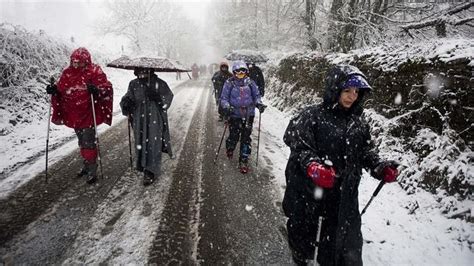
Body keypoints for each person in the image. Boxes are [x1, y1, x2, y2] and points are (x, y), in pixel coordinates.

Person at [282, 65, 399, 265]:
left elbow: (364, 151)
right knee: (307, 246)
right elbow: (299, 146)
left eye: (356, 92)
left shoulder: (358, 122)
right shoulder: (312, 116)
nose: (352, 96)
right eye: (347, 90)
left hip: (346, 200)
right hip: (314, 197)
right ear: (334, 89)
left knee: (348, 252)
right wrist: (313, 167)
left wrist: (379, 166)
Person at [46, 47, 113, 184]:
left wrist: (97, 90)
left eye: (79, 62)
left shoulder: (95, 71)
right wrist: (54, 91)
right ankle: (87, 164)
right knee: (81, 141)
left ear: (86, 61)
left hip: (88, 113)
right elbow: (61, 90)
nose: (76, 64)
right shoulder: (67, 73)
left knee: (88, 142)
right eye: (74, 61)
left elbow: (106, 87)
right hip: (73, 114)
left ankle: (92, 170)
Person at [120, 68, 174, 186]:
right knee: (140, 142)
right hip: (139, 118)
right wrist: (126, 103)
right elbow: (127, 97)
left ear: (150, 70)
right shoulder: (133, 84)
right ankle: (142, 165)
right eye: (139, 71)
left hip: (155, 117)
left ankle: (151, 170)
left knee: (153, 142)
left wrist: (158, 99)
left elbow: (168, 97)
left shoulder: (159, 83)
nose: (142, 73)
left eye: (144, 71)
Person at [220, 61, 266, 173]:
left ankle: (244, 160)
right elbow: (224, 98)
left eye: (243, 70)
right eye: (238, 71)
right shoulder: (229, 83)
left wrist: (259, 103)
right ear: (234, 72)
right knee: (234, 136)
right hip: (235, 115)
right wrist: (227, 107)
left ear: (246, 71)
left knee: (246, 138)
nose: (240, 73)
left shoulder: (251, 83)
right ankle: (230, 147)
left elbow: (256, 96)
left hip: (248, 115)